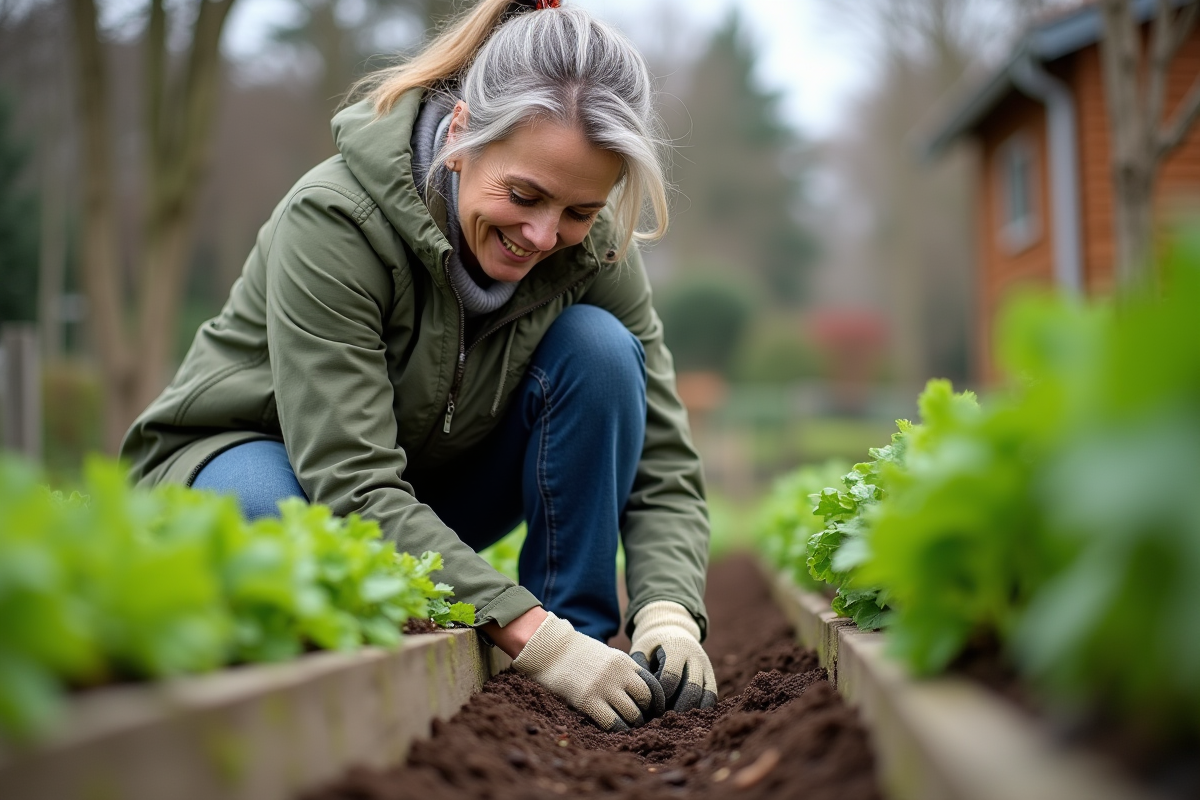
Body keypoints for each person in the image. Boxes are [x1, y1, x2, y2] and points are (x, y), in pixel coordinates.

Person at [121, 0, 716, 732]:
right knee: (283, 527)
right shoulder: (335, 221)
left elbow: (660, 456)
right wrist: (536, 639)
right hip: (256, 462)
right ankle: (535, 639)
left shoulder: (592, 251)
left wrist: (668, 610)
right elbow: (351, 482)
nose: (542, 235)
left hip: (423, 492)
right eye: (524, 195)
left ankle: (578, 656)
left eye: (578, 211)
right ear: (461, 134)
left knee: (601, 349)